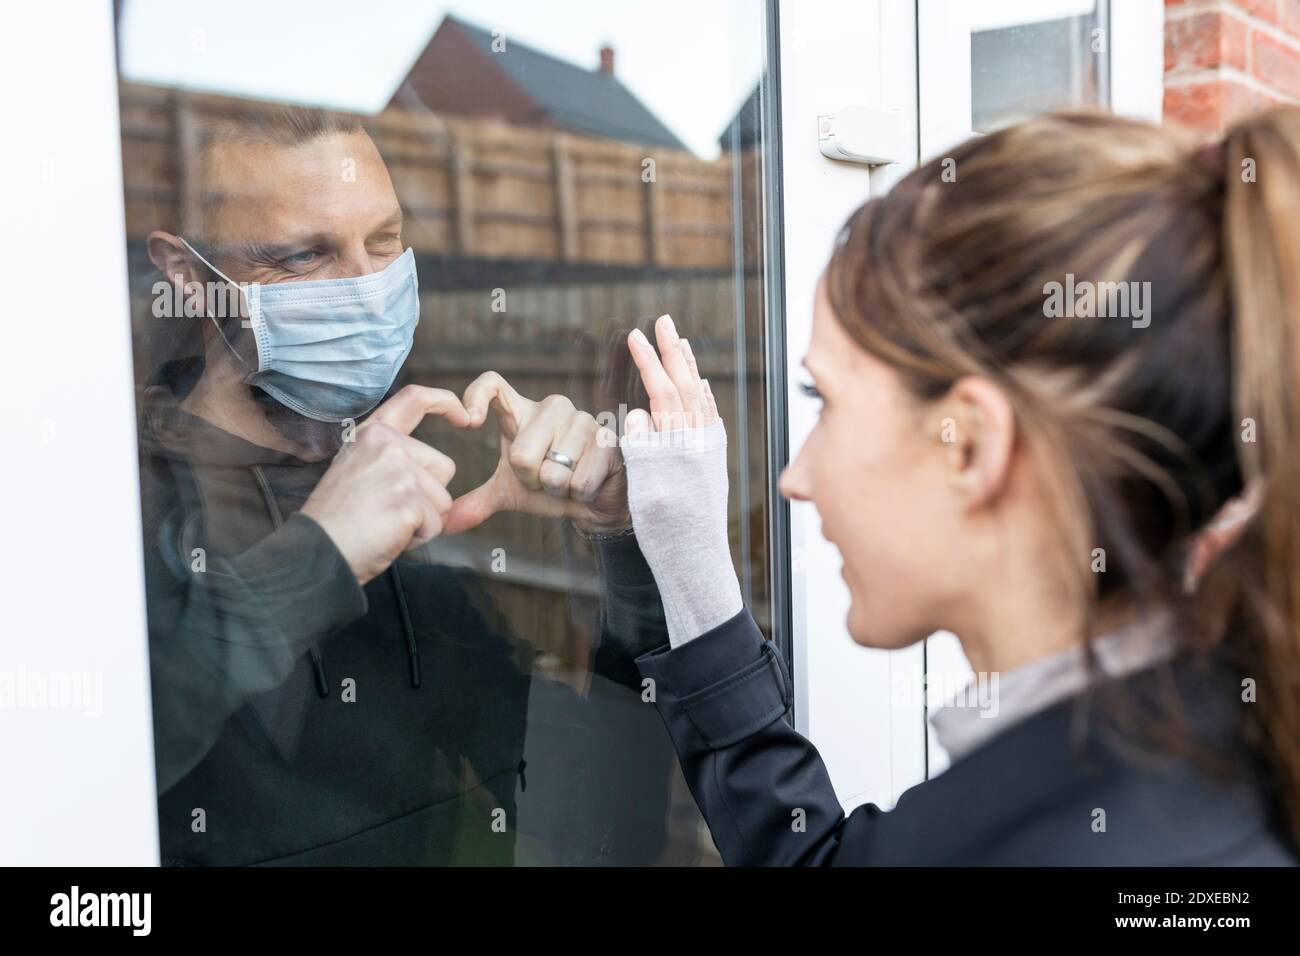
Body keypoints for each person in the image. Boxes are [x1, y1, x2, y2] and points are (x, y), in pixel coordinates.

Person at [618, 108, 1300, 865]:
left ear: (969, 444)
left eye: (826, 403)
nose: (793, 477)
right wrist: (677, 551)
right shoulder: (1210, 742)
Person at [137, 106, 673, 865]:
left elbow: (602, 819)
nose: (366, 289)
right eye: (303, 256)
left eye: (383, 241)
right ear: (192, 279)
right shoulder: (113, 507)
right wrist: (318, 557)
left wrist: (620, 539)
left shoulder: (411, 501)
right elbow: (75, 774)